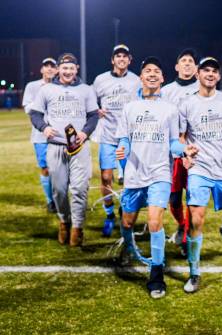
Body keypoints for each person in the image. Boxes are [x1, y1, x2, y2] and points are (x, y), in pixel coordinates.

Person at [115, 56, 197, 299]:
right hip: (134, 174)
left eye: (156, 71)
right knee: (128, 222)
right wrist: (123, 148)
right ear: (140, 77)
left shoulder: (170, 109)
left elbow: (174, 142)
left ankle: (157, 274)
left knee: (154, 222)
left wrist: (185, 150)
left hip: (160, 173)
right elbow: (124, 138)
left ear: (162, 78)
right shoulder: (129, 108)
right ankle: (129, 247)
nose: (152, 74)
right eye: (147, 71)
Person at [179, 57, 222, 293]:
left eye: (214, 71)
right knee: (196, 219)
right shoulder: (187, 103)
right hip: (200, 169)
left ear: (219, 76)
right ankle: (194, 273)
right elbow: (181, 137)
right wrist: (184, 155)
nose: (210, 74)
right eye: (206, 70)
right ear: (198, 74)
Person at [28, 53, 99, 247]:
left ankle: (77, 227)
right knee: (58, 190)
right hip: (56, 146)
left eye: (71, 68)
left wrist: (84, 133)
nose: (68, 71)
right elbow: (35, 114)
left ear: (77, 69)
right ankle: (64, 222)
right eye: (64, 68)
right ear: (58, 69)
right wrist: (44, 127)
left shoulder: (86, 90)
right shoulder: (47, 89)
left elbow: (93, 116)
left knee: (79, 188)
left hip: (79, 147)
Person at [92, 44, 141, 237]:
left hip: (128, 138)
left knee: (130, 180)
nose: (121, 59)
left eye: (125, 56)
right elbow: (90, 100)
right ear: (112, 60)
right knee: (105, 178)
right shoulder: (100, 80)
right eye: (118, 56)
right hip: (107, 135)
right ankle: (109, 214)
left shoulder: (136, 80)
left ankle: (125, 211)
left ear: (130, 60)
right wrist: (97, 109)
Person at [162, 49, 200, 253]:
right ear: (177, 67)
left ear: (196, 68)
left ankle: (186, 239)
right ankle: (182, 225)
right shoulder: (167, 91)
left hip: (197, 153)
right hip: (174, 153)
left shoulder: (203, 88)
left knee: (193, 197)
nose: (187, 63)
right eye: (183, 61)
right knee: (175, 198)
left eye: (191, 61)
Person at [22, 57, 58, 213]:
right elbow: (27, 108)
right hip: (39, 135)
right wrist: (42, 102)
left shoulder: (60, 86)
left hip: (58, 135)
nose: (49, 69)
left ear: (57, 70)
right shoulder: (33, 86)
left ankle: (59, 198)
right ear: (41, 69)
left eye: (52, 66)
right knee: (45, 169)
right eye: (46, 66)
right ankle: (50, 201)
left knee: (59, 169)